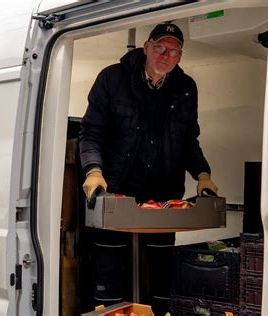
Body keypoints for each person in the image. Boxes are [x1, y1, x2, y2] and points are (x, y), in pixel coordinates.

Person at [78, 23, 218, 313]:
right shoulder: (112, 79)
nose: (165, 56)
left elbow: (188, 139)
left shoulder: (185, 88)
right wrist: (93, 171)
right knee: (110, 279)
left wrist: (203, 174)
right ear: (146, 47)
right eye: (159, 48)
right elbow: (91, 132)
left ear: (180, 56)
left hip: (163, 199)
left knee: (161, 280)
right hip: (116, 193)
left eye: (173, 51)